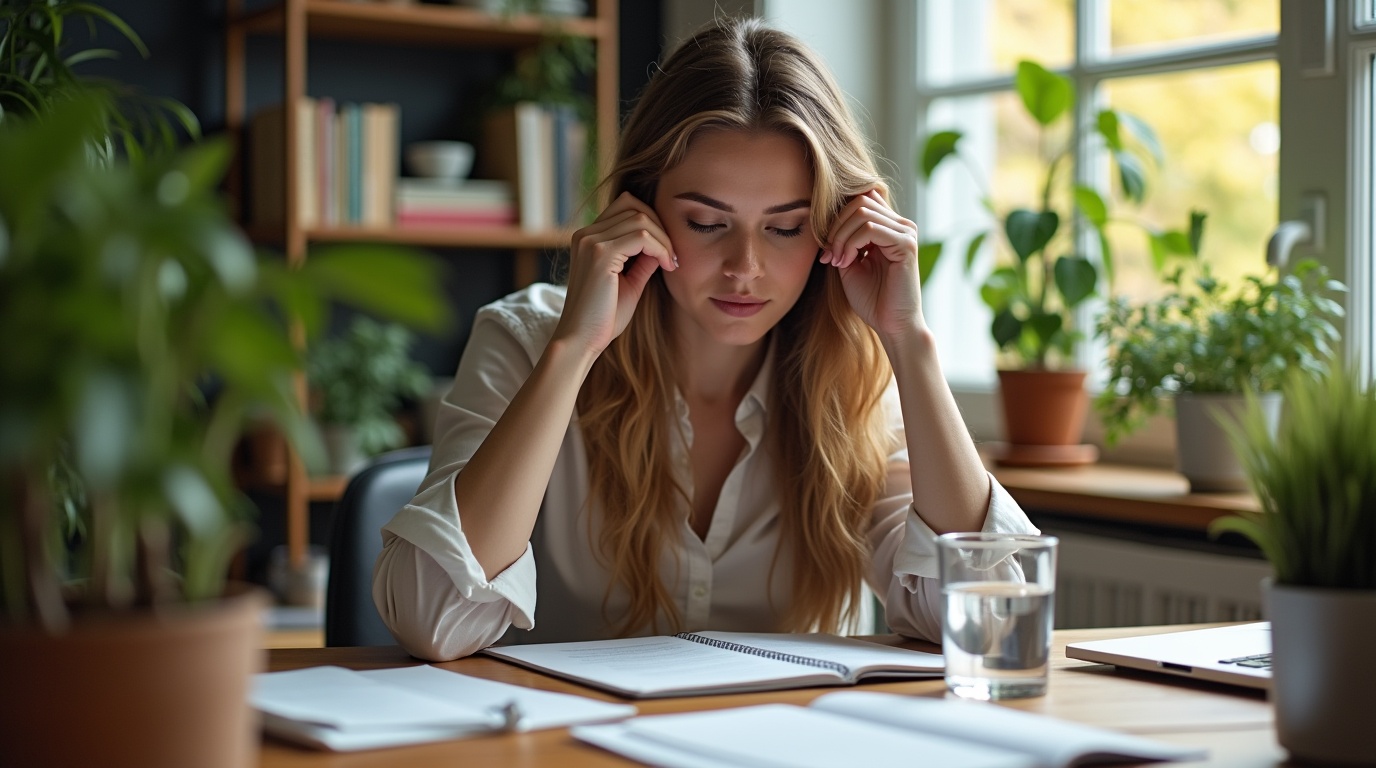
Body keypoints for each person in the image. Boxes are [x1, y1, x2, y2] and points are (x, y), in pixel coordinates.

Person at [373, 17, 1037, 662]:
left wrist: (909, 342)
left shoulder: (857, 372)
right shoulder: (526, 341)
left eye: (784, 228)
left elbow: (988, 620)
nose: (745, 268)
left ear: (833, 230)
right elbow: (435, 621)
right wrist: (574, 350)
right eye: (705, 222)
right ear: (642, 211)